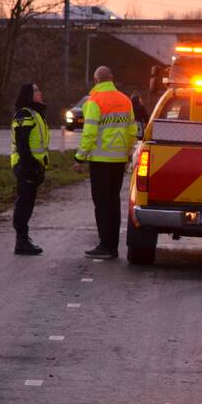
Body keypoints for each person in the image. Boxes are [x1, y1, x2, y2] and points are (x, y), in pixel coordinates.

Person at [73, 66, 135, 259]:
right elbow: (132, 131)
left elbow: (90, 133)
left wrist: (79, 157)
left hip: (100, 160)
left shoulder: (94, 101)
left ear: (96, 80)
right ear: (112, 78)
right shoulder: (125, 100)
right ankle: (112, 246)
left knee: (101, 204)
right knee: (114, 203)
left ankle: (105, 246)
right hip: (118, 159)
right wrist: (127, 155)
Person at [10, 82, 49, 255]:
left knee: (28, 203)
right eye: (36, 90)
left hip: (33, 167)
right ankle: (21, 241)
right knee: (24, 204)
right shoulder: (24, 114)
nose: (40, 92)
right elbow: (22, 144)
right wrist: (31, 165)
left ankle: (24, 239)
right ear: (28, 95)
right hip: (26, 166)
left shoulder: (35, 113)